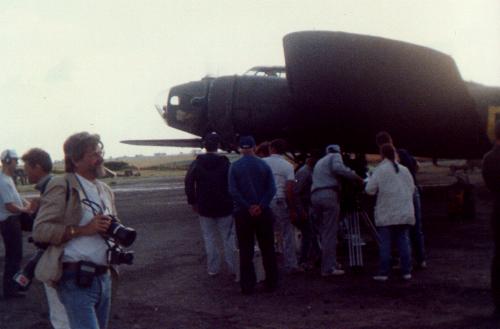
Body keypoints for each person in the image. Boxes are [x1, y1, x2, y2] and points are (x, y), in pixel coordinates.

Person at [33, 132, 117, 329]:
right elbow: (41, 230)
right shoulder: (62, 184)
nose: (100, 158)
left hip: (104, 277)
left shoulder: (104, 190)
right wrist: (83, 230)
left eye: (100, 151)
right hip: (75, 279)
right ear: (75, 159)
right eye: (93, 154)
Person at [22, 148, 70, 329]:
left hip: (56, 253)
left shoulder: (52, 186)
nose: (25, 172)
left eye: (27, 167)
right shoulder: (50, 186)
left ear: (38, 167)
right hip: (59, 250)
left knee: (59, 310)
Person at [228, 135, 278, 294]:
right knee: (268, 248)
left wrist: (248, 206)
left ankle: (247, 285)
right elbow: (272, 189)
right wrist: (260, 206)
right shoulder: (264, 165)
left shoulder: (234, 167)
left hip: (243, 214)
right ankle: (272, 283)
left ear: (241, 148)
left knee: (245, 249)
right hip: (263, 213)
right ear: (255, 147)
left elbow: (233, 191)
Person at [185, 132, 236, 277]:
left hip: (205, 206)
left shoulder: (196, 163)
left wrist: (193, 201)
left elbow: (188, 183)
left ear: (204, 146)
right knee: (228, 238)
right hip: (225, 206)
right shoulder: (225, 162)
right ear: (218, 146)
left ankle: (213, 269)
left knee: (209, 238)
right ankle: (233, 268)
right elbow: (232, 183)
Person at [375, 131, 426, 268]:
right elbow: (416, 166)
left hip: (399, 196)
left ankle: (400, 261)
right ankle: (421, 259)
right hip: (413, 192)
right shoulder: (404, 153)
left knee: (398, 229)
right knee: (416, 228)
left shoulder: (388, 160)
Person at [311, 144, 363, 276]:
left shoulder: (320, 162)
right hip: (329, 194)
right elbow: (338, 168)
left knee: (324, 232)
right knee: (330, 233)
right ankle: (328, 268)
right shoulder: (335, 156)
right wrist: (356, 177)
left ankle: (329, 262)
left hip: (315, 196)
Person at [365, 144, 415, 281]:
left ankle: (384, 272)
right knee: (403, 241)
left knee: (385, 243)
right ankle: (406, 271)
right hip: (404, 211)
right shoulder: (404, 170)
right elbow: (412, 188)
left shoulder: (380, 170)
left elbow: (369, 190)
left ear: (382, 155)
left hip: (386, 212)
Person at [263, 139, 300, 273]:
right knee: (287, 234)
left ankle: (267, 265)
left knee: (266, 234)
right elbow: (289, 189)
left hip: (265, 201)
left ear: (271, 148)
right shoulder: (287, 166)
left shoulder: (263, 163)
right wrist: (292, 209)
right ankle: (291, 264)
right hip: (280, 200)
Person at [0, 149, 33, 298]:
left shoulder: (7, 179)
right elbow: (10, 206)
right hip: (9, 221)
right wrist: (25, 210)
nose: (17, 162)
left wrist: (26, 203)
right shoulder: (3, 181)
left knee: (15, 255)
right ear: (7, 161)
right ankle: (10, 290)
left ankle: (11, 288)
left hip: (11, 221)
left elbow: (16, 197)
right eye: (15, 159)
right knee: (14, 256)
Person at [482, 121, 500, 316]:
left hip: (498, 210)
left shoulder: (489, 158)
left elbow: (489, 183)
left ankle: (498, 302)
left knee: (498, 258)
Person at [293, 154, 320, 269]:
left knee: (311, 233)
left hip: (306, 206)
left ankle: (317, 256)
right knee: (308, 233)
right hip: (302, 206)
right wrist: (301, 210)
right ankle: (303, 260)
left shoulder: (308, 171)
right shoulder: (305, 172)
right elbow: (296, 192)